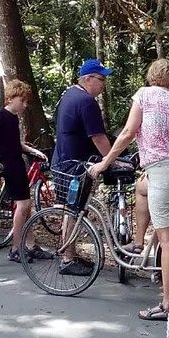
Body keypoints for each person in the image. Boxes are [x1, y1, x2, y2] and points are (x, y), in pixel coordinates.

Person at [90, 59, 169, 321]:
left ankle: (168, 304)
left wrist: (105, 161)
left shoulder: (144, 95)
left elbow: (127, 133)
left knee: (168, 239)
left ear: (150, 76)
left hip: (160, 171)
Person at [53, 59, 114, 275]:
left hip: (64, 161)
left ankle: (69, 252)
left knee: (73, 210)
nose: (103, 84)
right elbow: (98, 137)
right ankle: (67, 258)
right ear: (88, 79)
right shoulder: (86, 101)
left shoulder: (70, 94)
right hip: (74, 166)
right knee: (74, 210)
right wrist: (111, 159)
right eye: (101, 79)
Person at [0, 80, 51, 263]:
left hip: (17, 162)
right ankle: (15, 248)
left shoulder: (13, 118)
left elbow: (15, 143)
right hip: (8, 164)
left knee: (26, 205)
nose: (25, 104)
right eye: (22, 100)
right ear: (11, 98)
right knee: (22, 206)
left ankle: (30, 244)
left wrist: (32, 150)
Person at [129, 74, 169, 254]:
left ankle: (139, 241)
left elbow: (130, 132)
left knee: (166, 233)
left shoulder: (150, 100)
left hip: (163, 171)